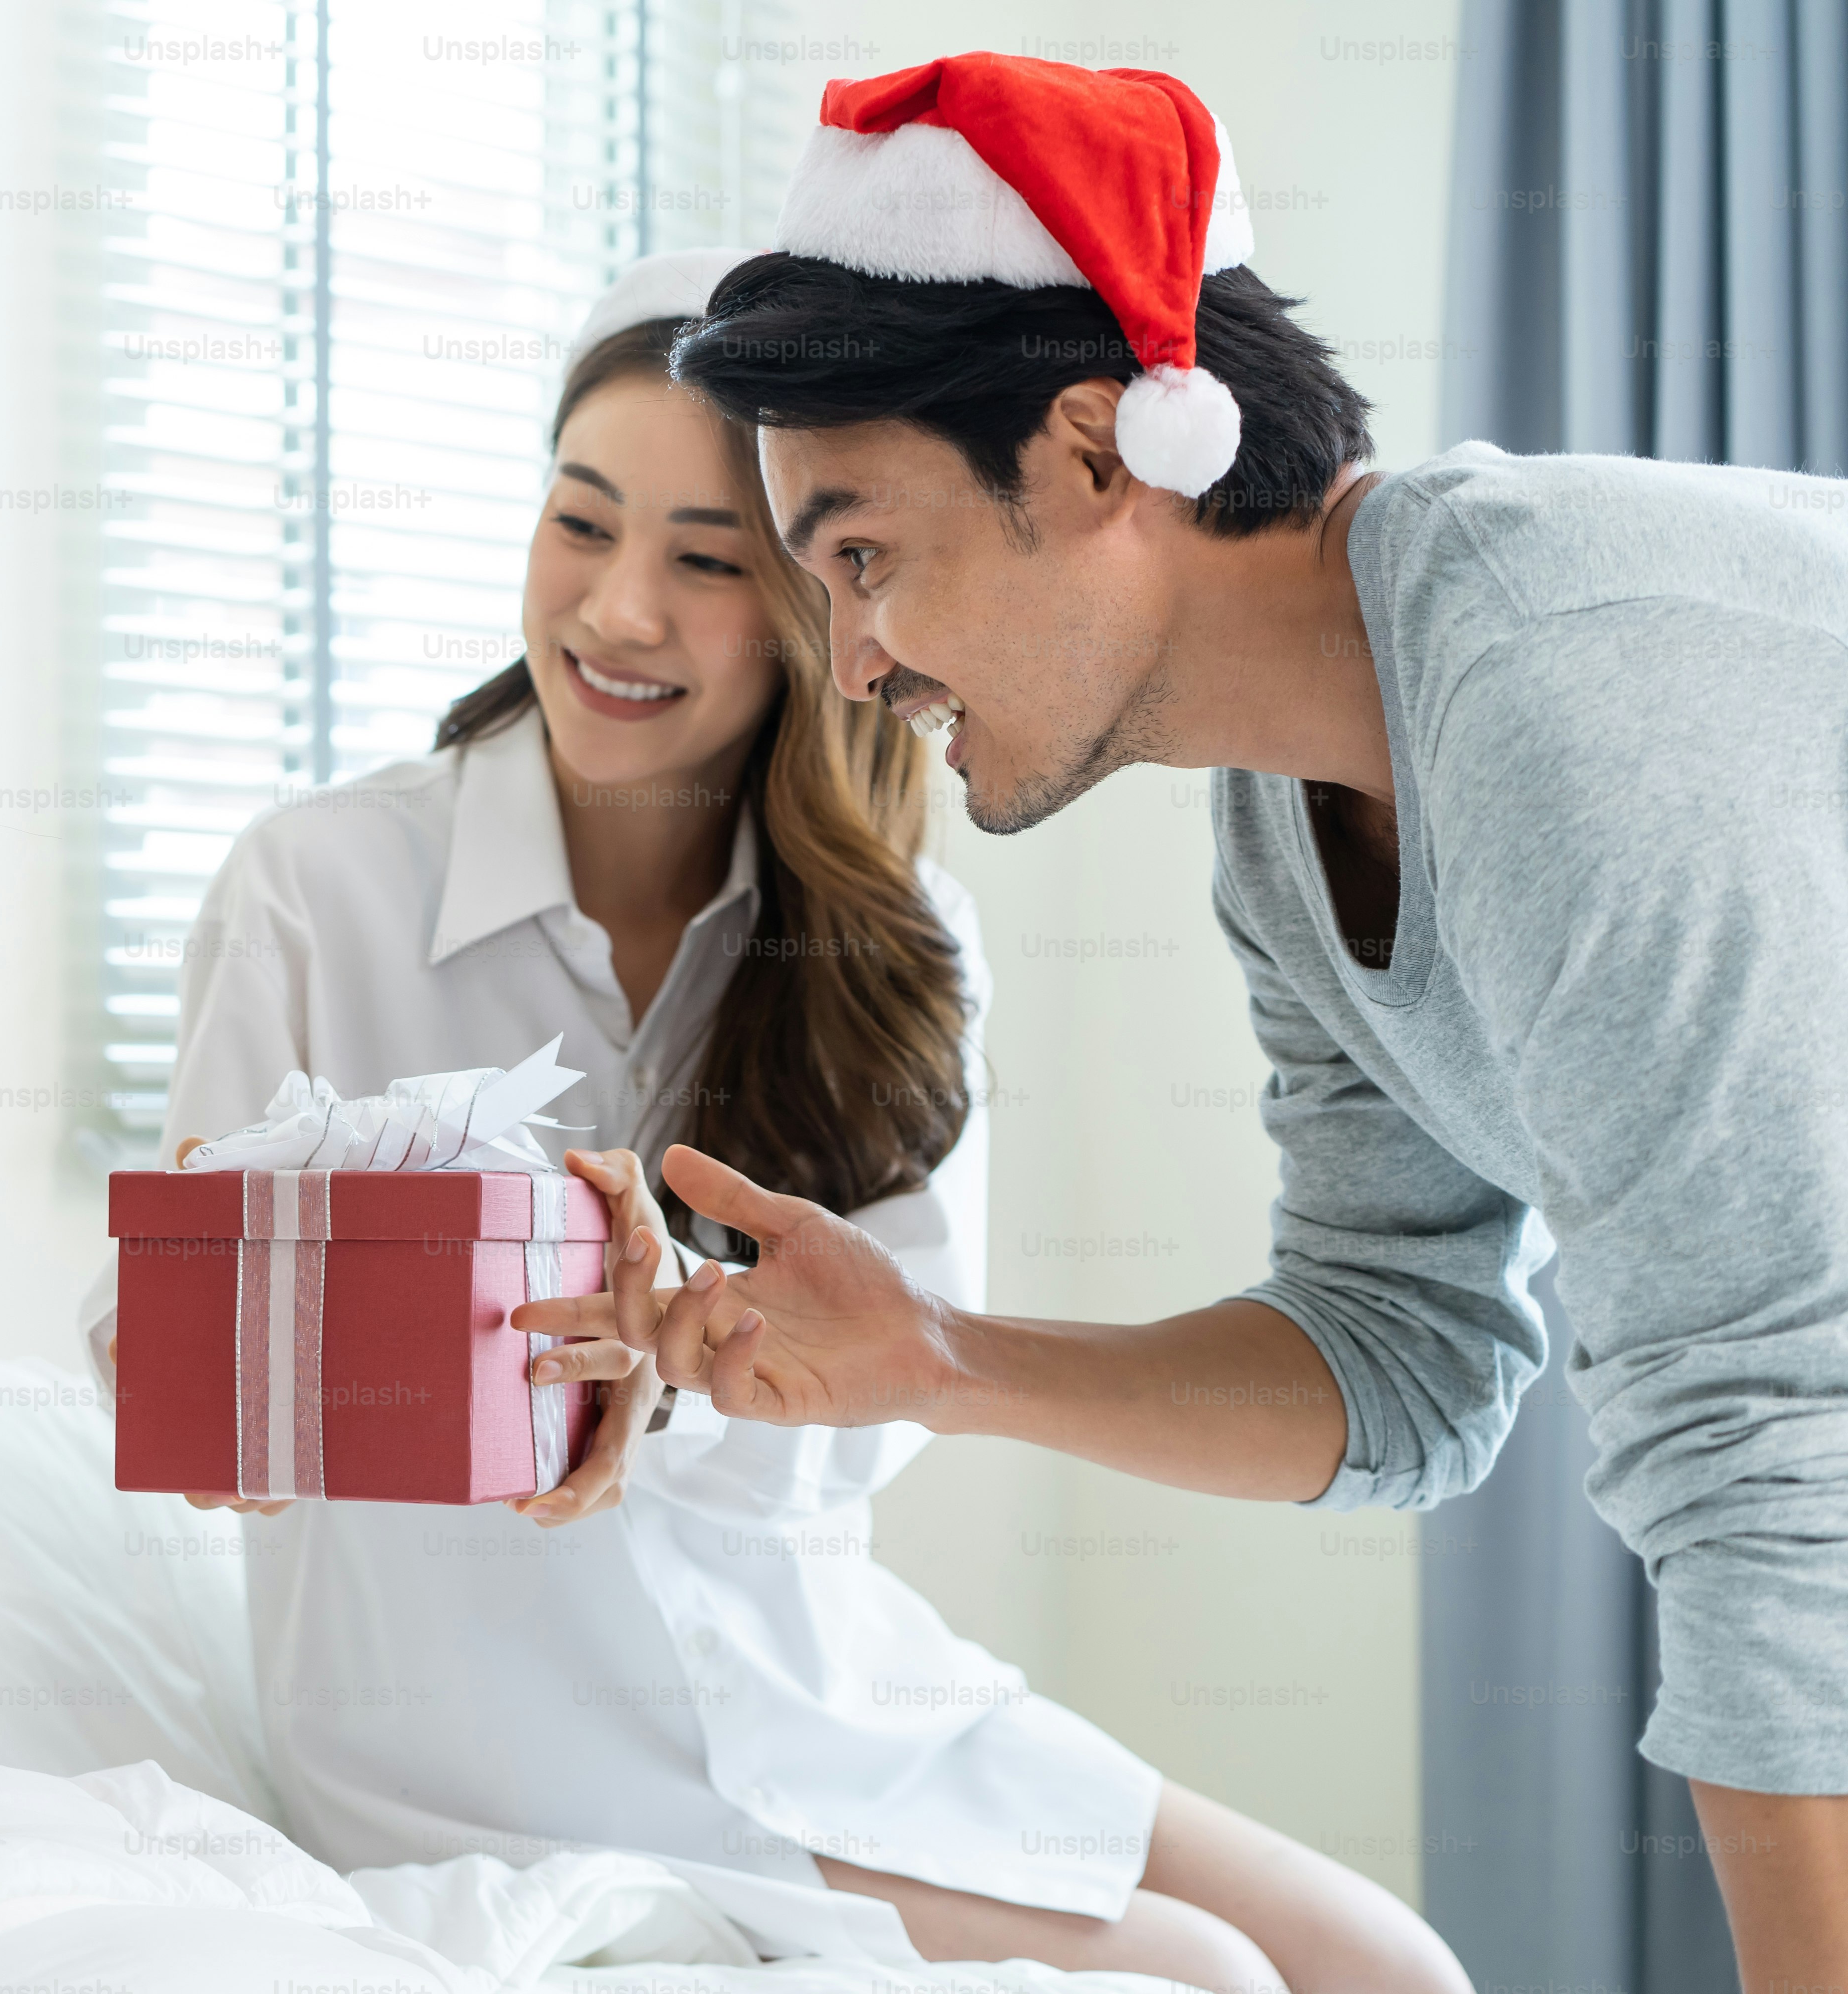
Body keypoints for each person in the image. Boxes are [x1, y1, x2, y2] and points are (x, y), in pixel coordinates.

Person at [516, 53, 1848, 1993]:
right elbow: (1402, 1363)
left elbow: (1771, 1464)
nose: (858, 659)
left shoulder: (1552, 708)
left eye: (865, 555)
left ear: (1092, 450)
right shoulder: (1289, 811)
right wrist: (940, 1359)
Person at [94, 253, 1465, 1991]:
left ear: (832, 602)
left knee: (1394, 1966)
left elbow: (889, 1409)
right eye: (580, 526)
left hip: (823, 1667)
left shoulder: (900, 939)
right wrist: (258, 1340)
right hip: (499, 1739)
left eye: (706, 561)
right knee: (1209, 1976)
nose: (618, 612)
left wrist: (689, 1353)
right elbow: (150, 1336)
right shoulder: (321, 889)